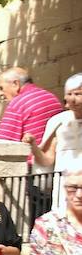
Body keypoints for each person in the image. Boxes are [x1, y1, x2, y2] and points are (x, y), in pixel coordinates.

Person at [27, 72, 82, 210]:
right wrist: (33, 145)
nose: (73, 99)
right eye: (69, 94)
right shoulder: (58, 121)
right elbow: (47, 160)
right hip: (65, 180)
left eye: (77, 94)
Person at [0, 67, 64, 146]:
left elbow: (1, 144)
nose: (0, 93)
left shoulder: (17, 104)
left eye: (1, 88)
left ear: (15, 84)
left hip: (33, 156)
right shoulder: (52, 97)